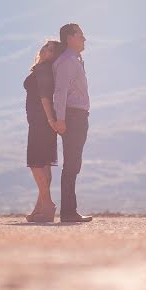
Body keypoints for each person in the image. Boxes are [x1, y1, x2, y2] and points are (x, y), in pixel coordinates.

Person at [53, 23, 92, 223]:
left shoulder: (75, 60)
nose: (84, 39)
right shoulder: (68, 61)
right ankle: (68, 212)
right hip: (72, 116)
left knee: (73, 163)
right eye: (81, 35)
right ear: (70, 37)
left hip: (78, 115)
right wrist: (60, 118)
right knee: (71, 164)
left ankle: (70, 211)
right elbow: (60, 91)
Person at [23, 39, 62, 222]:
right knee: (44, 164)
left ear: (54, 55)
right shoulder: (41, 69)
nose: (46, 48)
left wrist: (49, 120)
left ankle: (47, 204)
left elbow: (45, 97)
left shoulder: (44, 70)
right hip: (40, 121)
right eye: (47, 45)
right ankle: (40, 209)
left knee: (35, 163)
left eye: (51, 49)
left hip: (41, 121)